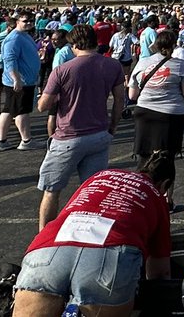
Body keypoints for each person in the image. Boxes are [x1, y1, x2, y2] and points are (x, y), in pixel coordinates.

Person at [12, 151, 173, 317]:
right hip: (109, 257)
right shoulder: (156, 195)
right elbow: (159, 272)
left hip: (49, 249)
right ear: (164, 184)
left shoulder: (100, 176)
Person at [36, 25, 127, 229]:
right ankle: (89, 232)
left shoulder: (63, 70)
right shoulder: (112, 66)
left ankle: (44, 234)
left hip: (68, 136)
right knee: (93, 190)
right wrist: (113, 126)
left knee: (52, 189)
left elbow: (43, 106)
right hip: (99, 134)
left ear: (75, 45)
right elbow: (120, 100)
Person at [129, 29, 184, 203]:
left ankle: (139, 196)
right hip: (171, 114)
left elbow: (132, 95)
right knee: (167, 158)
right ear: (173, 46)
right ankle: (167, 199)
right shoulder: (180, 65)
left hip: (145, 112)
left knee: (144, 156)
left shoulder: (143, 62)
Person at [0, 12, 42, 151]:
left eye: (31, 20)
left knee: (10, 110)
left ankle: (2, 141)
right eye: (25, 21)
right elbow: (9, 60)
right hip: (19, 82)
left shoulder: (25, 35)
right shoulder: (14, 39)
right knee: (21, 111)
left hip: (26, 81)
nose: (28, 23)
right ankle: (26, 140)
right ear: (17, 21)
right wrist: (16, 79)